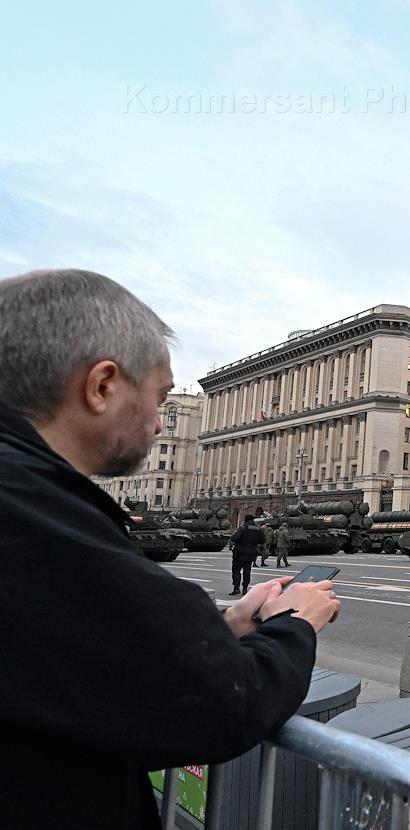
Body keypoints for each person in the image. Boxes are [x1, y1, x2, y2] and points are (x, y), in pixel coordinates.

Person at [0, 269, 341, 829]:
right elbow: (220, 705)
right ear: (102, 386)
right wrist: (295, 623)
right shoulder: (32, 511)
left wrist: (226, 627)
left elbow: (83, 661)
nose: (161, 424)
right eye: (159, 398)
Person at [229, 514, 263, 595]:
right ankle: (245, 588)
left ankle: (236, 588)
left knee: (236, 571)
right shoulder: (258, 529)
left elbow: (234, 538)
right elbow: (263, 540)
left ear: (246, 519)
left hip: (239, 553)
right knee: (247, 572)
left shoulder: (243, 528)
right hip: (251, 553)